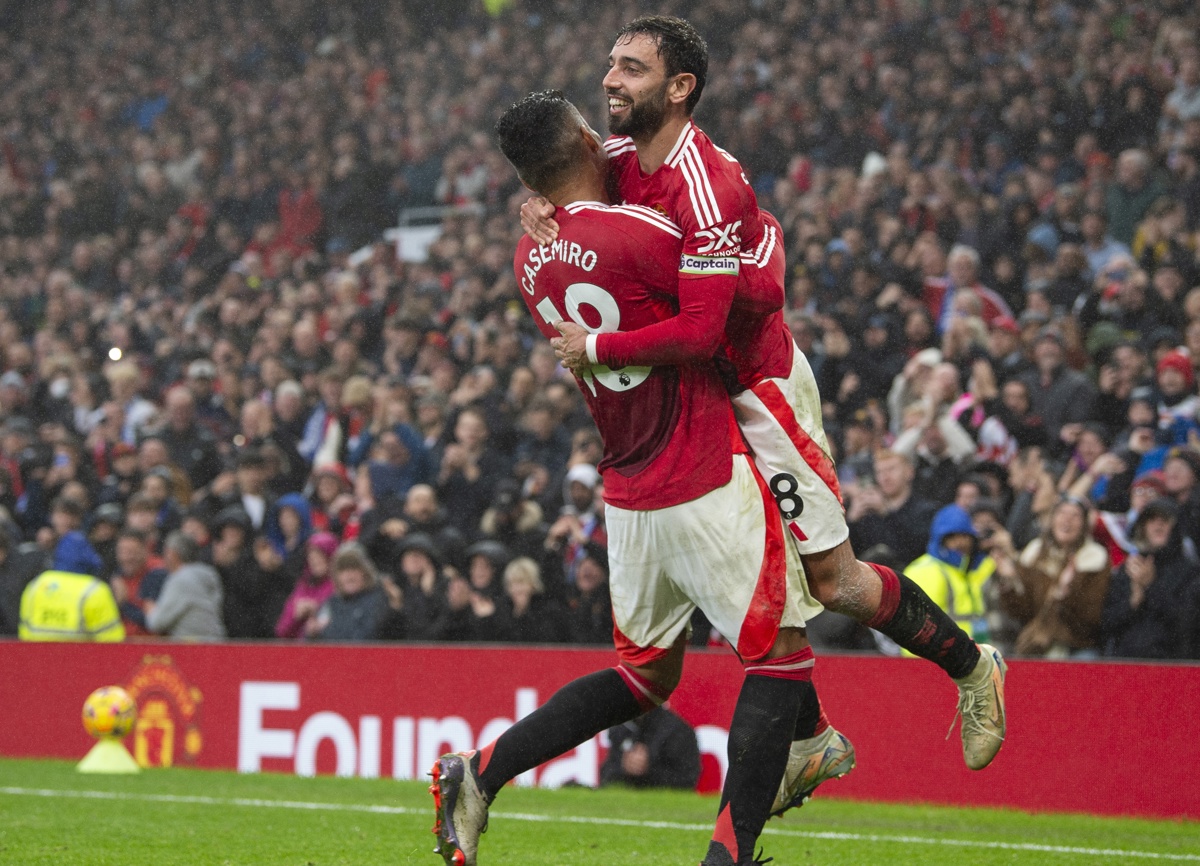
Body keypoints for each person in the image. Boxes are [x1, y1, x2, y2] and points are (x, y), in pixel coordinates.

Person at [529, 15, 1006, 784]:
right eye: (611, 63)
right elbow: (567, 187)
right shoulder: (614, 158)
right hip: (697, 397)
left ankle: (972, 664)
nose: (612, 79)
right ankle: (809, 737)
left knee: (834, 582)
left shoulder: (705, 180)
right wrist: (547, 212)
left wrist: (602, 346)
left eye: (633, 68)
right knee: (743, 577)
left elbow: (725, 312)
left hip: (759, 390)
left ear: (680, 87)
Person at [430, 90, 849, 866]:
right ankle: (728, 859)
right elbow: (740, 298)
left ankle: (480, 772)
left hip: (625, 487)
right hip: (699, 469)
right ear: (591, 140)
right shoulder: (644, 232)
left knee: (644, 675)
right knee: (780, 659)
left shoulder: (529, 255)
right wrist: (756, 231)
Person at [991, 497, 1112, 657]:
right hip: (1037, 644)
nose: (1067, 520)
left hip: (1077, 646)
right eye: (1062, 513)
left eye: (1075, 516)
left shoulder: (1095, 558)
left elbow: (1092, 619)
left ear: (1084, 524)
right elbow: (1022, 612)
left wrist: (1067, 592)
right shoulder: (1034, 552)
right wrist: (1010, 580)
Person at [19, 531, 122, 641]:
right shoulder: (95, 590)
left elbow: (24, 634)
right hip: (81, 657)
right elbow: (111, 642)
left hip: (37, 657)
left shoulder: (35, 586)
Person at [145, 530, 225, 640]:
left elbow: (157, 623)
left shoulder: (181, 580)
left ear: (173, 553)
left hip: (191, 648)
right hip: (216, 645)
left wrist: (150, 608)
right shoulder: (209, 575)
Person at [601, 704, 702, 790]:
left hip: (664, 808)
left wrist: (649, 770)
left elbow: (688, 779)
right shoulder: (622, 727)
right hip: (625, 806)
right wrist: (624, 767)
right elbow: (606, 773)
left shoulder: (676, 731)